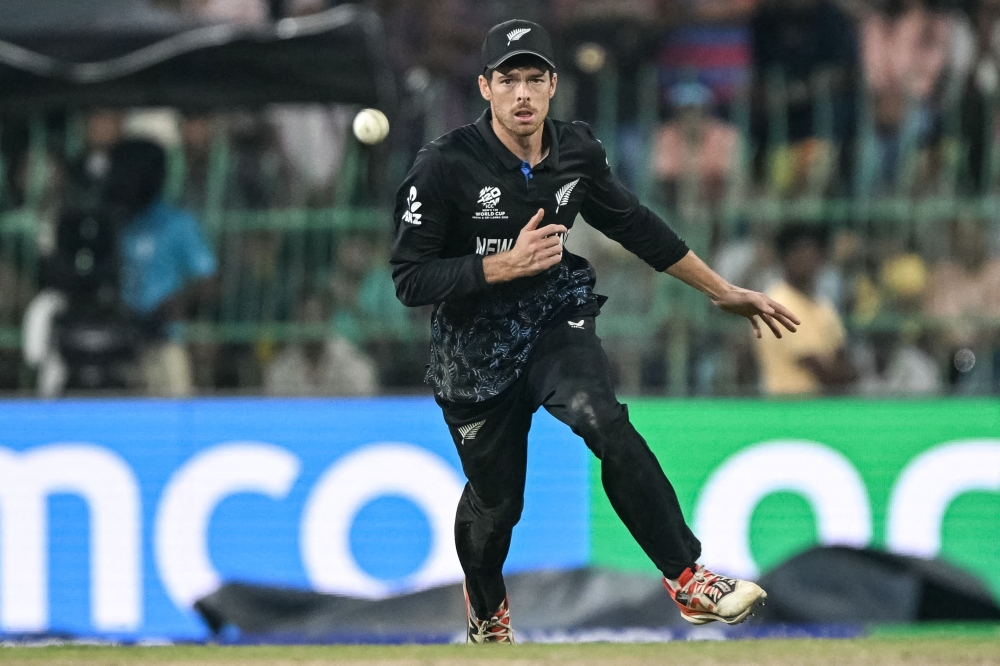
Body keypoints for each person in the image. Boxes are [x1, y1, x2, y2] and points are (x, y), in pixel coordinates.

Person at [390, 19, 800, 643]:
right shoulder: (442, 166)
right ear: (484, 88)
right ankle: (486, 609)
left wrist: (722, 291)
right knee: (497, 504)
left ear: (553, 85)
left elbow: (634, 224)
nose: (522, 94)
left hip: (554, 317)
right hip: (472, 351)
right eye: (509, 80)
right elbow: (410, 279)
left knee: (603, 420)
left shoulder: (576, 151)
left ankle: (689, 579)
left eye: (534, 79)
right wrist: (501, 264)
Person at [107, 139, 217, 396]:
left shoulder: (177, 223)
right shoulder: (111, 224)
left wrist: (170, 306)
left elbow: (208, 281)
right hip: (117, 343)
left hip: (165, 342)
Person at [755, 223, 857, 395]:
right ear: (786, 258)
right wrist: (847, 373)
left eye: (814, 255)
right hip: (788, 408)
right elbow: (825, 374)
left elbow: (843, 356)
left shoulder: (821, 304)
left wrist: (847, 371)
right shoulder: (777, 303)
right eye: (802, 256)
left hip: (820, 410)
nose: (810, 262)